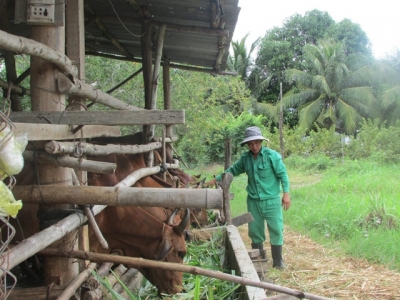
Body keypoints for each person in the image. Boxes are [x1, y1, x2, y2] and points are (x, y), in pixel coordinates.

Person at [205, 126, 291, 268]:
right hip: (254, 201)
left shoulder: (272, 156)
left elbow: (283, 175)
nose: (254, 146)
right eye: (251, 144)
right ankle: (259, 260)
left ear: (261, 142)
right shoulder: (246, 159)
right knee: (255, 231)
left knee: (276, 228)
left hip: (272, 200)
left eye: (256, 143)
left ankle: (278, 261)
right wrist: (216, 179)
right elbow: (232, 171)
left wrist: (286, 194)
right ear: (247, 145)